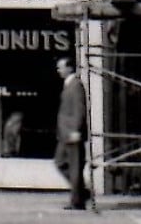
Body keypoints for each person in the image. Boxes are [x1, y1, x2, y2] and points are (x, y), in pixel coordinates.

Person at [54, 57, 89, 210]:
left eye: (60, 67)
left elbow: (79, 110)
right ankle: (81, 192)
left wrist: (77, 130)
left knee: (75, 167)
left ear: (69, 68)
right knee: (60, 162)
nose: (58, 70)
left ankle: (77, 200)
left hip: (72, 133)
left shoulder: (76, 85)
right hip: (65, 133)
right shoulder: (68, 84)